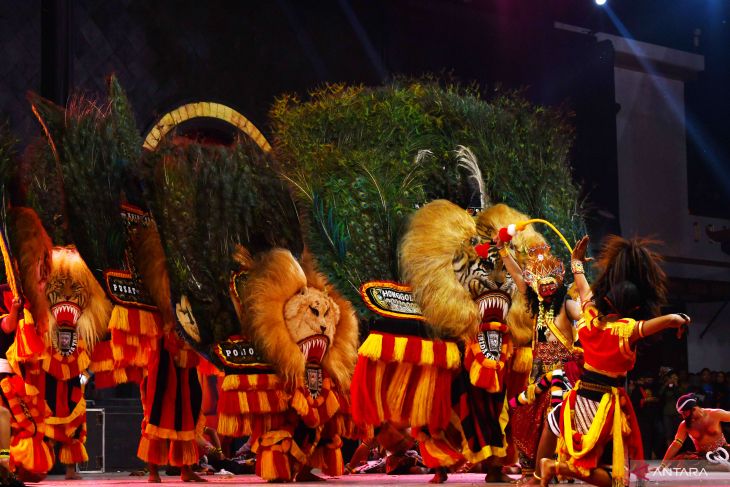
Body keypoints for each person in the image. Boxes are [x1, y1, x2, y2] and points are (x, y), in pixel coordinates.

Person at [538, 235, 692, 487]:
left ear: (606, 300)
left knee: (552, 424)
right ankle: (555, 466)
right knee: (616, 479)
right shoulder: (626, 329)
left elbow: (584, 288)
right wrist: (676, 318)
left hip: (579, 397)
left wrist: (576, 262)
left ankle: (538, 476)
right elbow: (653, 325)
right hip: (601, 404)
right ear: (633, 310)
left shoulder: (588, 316)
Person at [659, 393, 730, 469]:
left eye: (684, 414)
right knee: (684, 462)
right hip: (703, 457)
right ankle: (719, 467)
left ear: (693, 409)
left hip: (724, 452)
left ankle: (720, 466)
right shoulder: (684, 425)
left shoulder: (715, 414)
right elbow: (675, 445)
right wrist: (662, 465)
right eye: (681, 414)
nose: (683, 417)